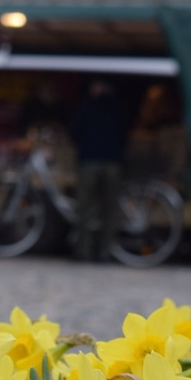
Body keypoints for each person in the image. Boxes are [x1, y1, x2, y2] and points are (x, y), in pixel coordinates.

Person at [68, 79, 129, 262]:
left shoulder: (86, 105)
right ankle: (105, 251)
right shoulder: (118, 107)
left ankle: (84, 251)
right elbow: (126, 132)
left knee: (85, 208)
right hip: (112, 162)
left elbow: (73, 131)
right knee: (109, 210)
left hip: (89, 161)